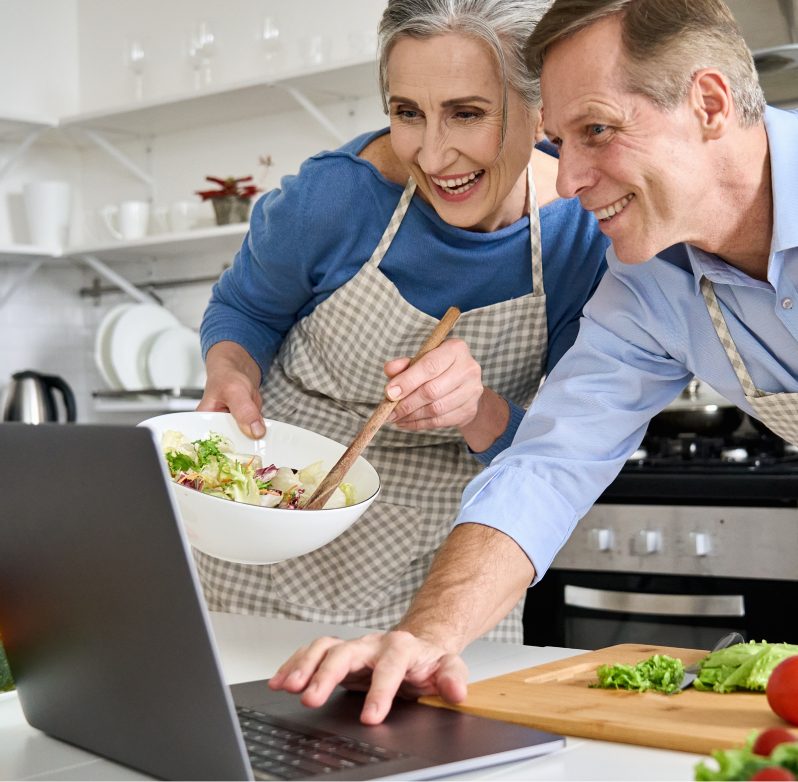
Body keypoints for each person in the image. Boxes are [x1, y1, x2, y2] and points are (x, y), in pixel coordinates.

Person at [268, 0, 798, 724]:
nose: (570, 179)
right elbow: (548, 466)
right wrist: (422, 639)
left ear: (708, 103)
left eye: (597, 131)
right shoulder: (647, 284)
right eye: (558, 140)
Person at [196, 0, 609, 645]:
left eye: (467, 113)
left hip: (453, 568)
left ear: (542, 110)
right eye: (406, 113)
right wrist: (230, 371)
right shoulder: (336, 197)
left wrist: (476, 408)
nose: (433, 153)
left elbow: (559, 454)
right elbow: (244, 309)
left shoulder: (581, 236)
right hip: (276, 539)